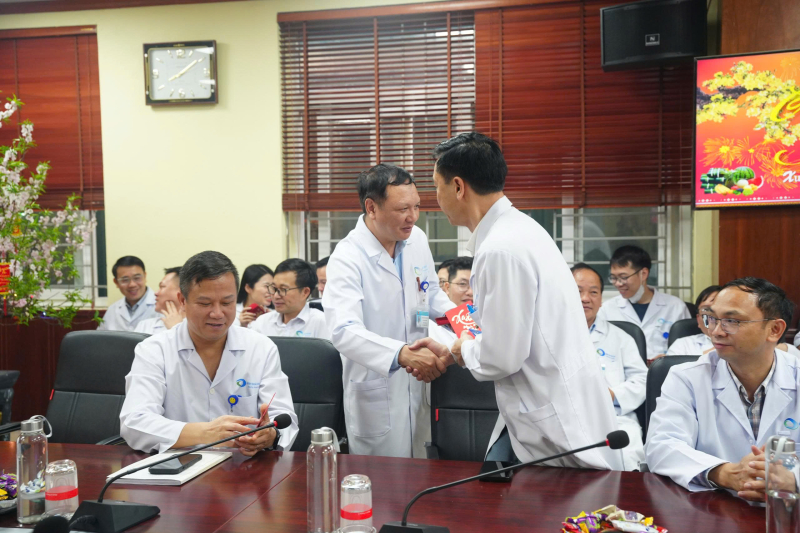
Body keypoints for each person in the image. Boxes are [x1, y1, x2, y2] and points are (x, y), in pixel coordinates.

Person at [410, 132, 621, 470]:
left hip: (556, 420)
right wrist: (454, 353)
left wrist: (462, 348)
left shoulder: (500, 249)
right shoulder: (521, 229)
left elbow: (501, 358)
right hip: (554, 401)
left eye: (437, 186)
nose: (435, 198)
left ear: (459, 187)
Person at [323, 163, 456, 458]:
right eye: (402, 209)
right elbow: (343, 331)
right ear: (371, 208)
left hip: (420, 382)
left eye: (417, 206)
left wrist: (465, 323)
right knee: (383, 479)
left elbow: (431, 294)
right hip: (377, 388)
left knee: (424, 469)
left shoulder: (416, 239)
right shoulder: (347, 257)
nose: (413, 217)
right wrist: (401, 354)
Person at [120, 251, 298, 454]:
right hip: (178, 465)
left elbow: (284, 418)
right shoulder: (154, 350)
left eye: (227, 303)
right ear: (182, 300)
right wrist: (206, 433)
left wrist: (270, 435)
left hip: (244, 467)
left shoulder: (261, 348)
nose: (217, 313)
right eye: (205, 303)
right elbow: (135, 422)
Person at [645, 277, 799, 499]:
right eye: (712, 319)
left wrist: (793, 479)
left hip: (787, 509)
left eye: (731, 321)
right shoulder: (686, 377)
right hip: (711, 505)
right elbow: (662, 445)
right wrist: (727, 474)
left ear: (774, 329)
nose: (716, 332)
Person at [572, 263, 647, 470]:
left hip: (614, 419)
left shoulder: (621, 338)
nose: (585, 298)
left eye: (593, 292)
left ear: (601, 300)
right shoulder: (547, 337)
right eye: (578, 291)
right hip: (565, 418)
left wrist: (613, 395)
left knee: (626, 466)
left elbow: (642, 380)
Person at [597, 245, 691, 362]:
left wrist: (668, 359)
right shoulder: (607, 309)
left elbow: (689, 348)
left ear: (644, 274)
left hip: (666, 370)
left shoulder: (676, 307)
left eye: (623, 277)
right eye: (613, 278)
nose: (618, 284)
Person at [251, 258, 328, 339]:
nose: (276, 296)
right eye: (274, 288)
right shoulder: (263, 323)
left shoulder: (321, 323)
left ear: (305, 292)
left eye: (283, 289)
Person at [98, 256, 158, 331]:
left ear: (145, 276)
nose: (132, 284)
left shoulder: (161, 306)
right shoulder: (112, 310)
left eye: (137, 278)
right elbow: (101, 336)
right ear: (116, 282)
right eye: (125, 280)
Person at [665, 285, 721, 356]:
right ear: (698, 319)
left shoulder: (735, 345)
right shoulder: (683, 345)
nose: (713, 317)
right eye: (706, 310)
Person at [135, 267, 185, 335]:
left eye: (162, 286)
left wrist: (176, 328)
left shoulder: (195, 327)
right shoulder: (144, 325)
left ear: (181, 291)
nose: (156, 293)